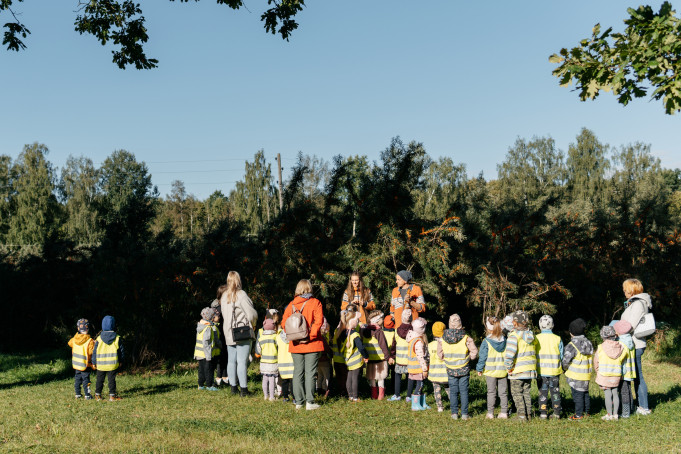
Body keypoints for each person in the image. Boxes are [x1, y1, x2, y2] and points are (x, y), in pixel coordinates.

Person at [281, 279, 325, 410]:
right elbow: (318, 322)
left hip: (295, 343)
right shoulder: (315, 303)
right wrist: (310, 336)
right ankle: (310, 402)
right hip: (312, 343)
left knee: (297, 372)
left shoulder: (291, 305)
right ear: (309, 288)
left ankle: (299, 402)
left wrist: (295, 336)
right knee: (310, 373)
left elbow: (284, 324)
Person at [220, 271, 258, 397]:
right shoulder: (241, 295)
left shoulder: (224, 296)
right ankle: (244, 390)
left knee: (231, 361)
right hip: (242, 331)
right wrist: (253, 323)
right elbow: (251, 314)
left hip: (228, 332)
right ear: (238, 280)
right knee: (242, 361)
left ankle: (233, 387)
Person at [620, 278, 653, 415]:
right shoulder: (635, 303)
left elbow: (630, 325)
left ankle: (643, 407)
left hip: (635, 343)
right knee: (634, 375)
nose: (624, 291)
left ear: (632, 289)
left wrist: (615, 330)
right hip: (632, 342)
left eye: (625, 289)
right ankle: (637, 405)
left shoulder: (638, 304)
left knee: (637, 375)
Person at [440, 314, 478, 420]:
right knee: (464, 391)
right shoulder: (466, 338)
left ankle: (454, 414)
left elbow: (440, 354)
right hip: (464, 368)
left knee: (453, 391)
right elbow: (474, 352)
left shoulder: (443, 338)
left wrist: (446, 358)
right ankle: (465, 414)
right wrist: (470, 357)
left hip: (450, 368)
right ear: (460, 324)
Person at [504, 310, 536, 422]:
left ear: (514, 323)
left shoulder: (514, 336)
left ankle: (521, 416)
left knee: (517, 393)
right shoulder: (531, 336)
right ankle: (529, 414)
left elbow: (509, 355)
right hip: (529, 369)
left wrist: (508, 367)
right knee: (526, 392)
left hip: (517, 370)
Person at [476, 316, 508, 419]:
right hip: (503, 371)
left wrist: (479, 368)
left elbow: (482, 357)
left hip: (490, 372)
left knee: (491, 392)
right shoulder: (505, 340)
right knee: (503, 393)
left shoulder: (486, 341)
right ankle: (504, 412)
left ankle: (490, 413)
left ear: (489, 328)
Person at [562, 318, 593, 420]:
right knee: (585, 393)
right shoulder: (588, 343)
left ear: (572, 333)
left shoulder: (571, 345)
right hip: (586, 374)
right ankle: (586, 412)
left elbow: (566, 360)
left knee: (578, 395)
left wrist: (564, 368)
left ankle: (579, 415)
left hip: (575, 375)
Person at [594, 325, 627, 421]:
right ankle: (616, 415)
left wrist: (597, 371)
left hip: (604, 375)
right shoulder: (620, 347)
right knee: (615, 394)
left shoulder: (600, 347)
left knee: (607, 395)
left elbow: (596, 361)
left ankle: (609, 414)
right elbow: (622, 357)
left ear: (603, 336)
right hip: (616, 375)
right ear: (614, 335)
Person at [336, 310, 369, 402]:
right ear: (352, 322)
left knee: (349, 377)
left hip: (348, 359)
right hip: (356, 360)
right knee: (355, 378)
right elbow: (361, 347)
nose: (358, 322)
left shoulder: (343, 333)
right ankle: (355, 397)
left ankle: (350, 395)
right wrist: (366, 356)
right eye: (357, 320)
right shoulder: (355, 334)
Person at [535, 315, 563, 419]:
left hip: (541, 371)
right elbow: (562, 354)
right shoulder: (557, 338)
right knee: (555, 392)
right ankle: (556, 412)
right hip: (554, 371)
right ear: (553, 325)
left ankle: (543, 413)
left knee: (543, 393)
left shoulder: (536, 338)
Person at [93, 315, 124, 401]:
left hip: (100, 364)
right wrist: (121, 361)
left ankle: (98, 395)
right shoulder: (117, 338)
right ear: (114, 325)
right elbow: (121, 351)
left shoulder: (99, 338)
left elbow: (94, 351)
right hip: (112, 364)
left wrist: (93, 362)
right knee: (112, 381)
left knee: (99, 380)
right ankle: (112, 396)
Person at [361, 310, 390, 400]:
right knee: (380, 377)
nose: (382, 320)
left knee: (372, 377)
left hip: (370, 359)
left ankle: (373, 394)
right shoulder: (379, 332)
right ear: (377, 321)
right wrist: (387, 356)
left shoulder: (365, 331)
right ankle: (380, 395)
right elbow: (383, 345)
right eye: (381, 319)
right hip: (380, 359)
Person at [613, 320, 636, 418]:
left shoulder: (621, 343)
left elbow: (621, 358)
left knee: (624, 391)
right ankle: (631, 408)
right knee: (628, 390)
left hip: (624, 371)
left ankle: (625, 413)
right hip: (630, 370)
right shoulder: (630, 340)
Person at [388, 310, 413, 401]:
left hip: (399, 359)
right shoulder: (413, 331)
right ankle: (409, 396)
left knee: (397, 376)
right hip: (410, 359)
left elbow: (393, 345)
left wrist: (392, 356)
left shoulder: (396, 331)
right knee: (410, 377)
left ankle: (397, 395)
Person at [68, 318, 95, 400]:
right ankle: (87, 395)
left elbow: (69, 343)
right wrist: (94, 343)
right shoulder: (89, 341)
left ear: (78, 328)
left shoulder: (74, 339)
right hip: (85, 365)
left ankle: (78, 394)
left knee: (77, 380)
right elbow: (91, 352)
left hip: (76, 364)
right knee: (86, 380)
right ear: (88, 328)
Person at [194, 307, 220, 391]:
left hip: (199, 353)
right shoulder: (207, 328)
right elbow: (206, 343)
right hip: (206, 353)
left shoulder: (201, 326)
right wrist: (208, 356)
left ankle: (200, 384)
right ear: (211, 317)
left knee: (201, 369)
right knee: (209, 369)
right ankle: (209, 385)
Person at [407, 318, 429, 411]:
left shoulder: (412, 339)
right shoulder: (418, 342)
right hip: (418, 368)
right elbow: (420, 357)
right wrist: (424, 369)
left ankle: (421, 403)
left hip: (412, 367)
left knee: (421, 384)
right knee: (420, 385)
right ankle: (415, 404)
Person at [427, 321, 450, 412]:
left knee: (437, 390)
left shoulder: (430, 345)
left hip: (434, 373)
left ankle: (440, 407)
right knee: (448, 389)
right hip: (445, 373)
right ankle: (453, 403)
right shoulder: (447, 344)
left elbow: (428, 358)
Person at [256, 318, 279, 401]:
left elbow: (258, 349)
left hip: (264, 362)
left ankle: (265, 395)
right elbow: (278, 348)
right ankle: (272, 397)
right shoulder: (275, 337)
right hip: (273, 362)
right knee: (272, 380)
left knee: (265, 379)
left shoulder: (261, 338)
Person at [210, 297, 228, 387]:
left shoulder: (214, 306)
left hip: (222, 333)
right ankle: (220, 377)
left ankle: (223, 377)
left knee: (222, 356)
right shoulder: (220, 308)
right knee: (222, 356)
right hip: (222, 334)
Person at [316, 318, 333, 398]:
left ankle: (318, 390)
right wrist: (331, 353)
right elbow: (326, 348)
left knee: (319, 376)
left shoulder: (317, 337)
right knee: (326, 377)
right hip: (325, 360)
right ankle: (325, 391)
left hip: (318, 361)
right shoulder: (323, 338)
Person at [276, 327, 294, 402]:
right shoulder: (293, 336)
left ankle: (285, 397)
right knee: (294, 382)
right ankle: (294, 397)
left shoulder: (278, 337)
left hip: (282, 363)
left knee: (284, 381)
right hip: (292, 361)